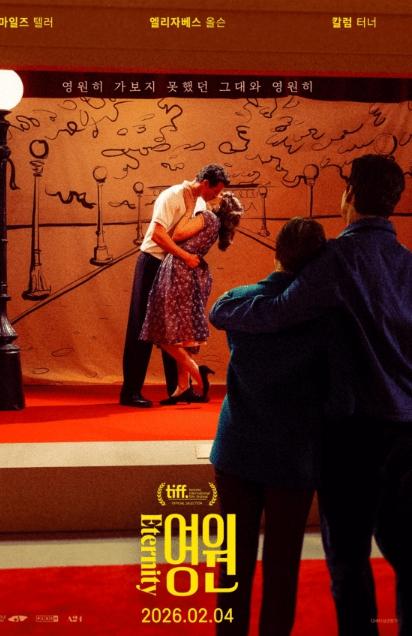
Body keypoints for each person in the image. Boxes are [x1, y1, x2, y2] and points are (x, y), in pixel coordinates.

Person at [210, 154, 412, 636]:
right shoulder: (408, 263)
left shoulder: (337, 260)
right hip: (406, 430)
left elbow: (280, 308)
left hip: (354, 436)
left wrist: (227, 309)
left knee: (349, 562)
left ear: (349, 194)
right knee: (407, 551)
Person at [210, 217, 330, 636]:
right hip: (293, 458)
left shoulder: (240, 301)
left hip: (237, 450)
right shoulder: (325, 317)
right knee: (282, 568)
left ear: (276, 251)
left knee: (232, 565)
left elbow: (218, 310)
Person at [119, 164, 230, 407]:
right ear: (205, 183)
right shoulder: (171, 196)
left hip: (174, 267)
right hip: (152, 262)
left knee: (173, 327)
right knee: (141, 325)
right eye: (215, 190)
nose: (216, 196)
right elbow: (158, 235)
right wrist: (186, 257)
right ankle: (130, 392)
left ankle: (179, 389)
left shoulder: (200, 203)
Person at [140, 190, 243, 405]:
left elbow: (177, 235)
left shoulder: (207, 217)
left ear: (220, 205)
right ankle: (183, 386)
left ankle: (197, 372)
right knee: (182, 331)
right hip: (192, 274)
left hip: (180, 271)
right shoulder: (216, 224)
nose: (215, 195)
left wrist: (188, 210)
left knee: (163, 332)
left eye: (221, 195)